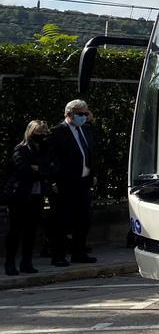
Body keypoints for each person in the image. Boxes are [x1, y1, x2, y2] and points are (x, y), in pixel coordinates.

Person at [48, 99, 97, 266]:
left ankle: (79, 252)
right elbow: (52, 159)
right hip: (66, 183)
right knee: (62, 221)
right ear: (69, 114)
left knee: (83, 220)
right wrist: (55, 180)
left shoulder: (87, 130)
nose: (84, 117)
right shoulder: (56, 132)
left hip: (84, 182)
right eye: (81, 114)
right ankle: (58, 255)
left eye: (85, 114)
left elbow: (90, 153)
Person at [5, 121, 52, 275]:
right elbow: (22, 170)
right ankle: (10, 263)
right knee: (15, 231)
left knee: (31, 231)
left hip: (37, 195)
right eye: (39, 132)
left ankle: (27, 262)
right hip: (20, 196)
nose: (42, 136)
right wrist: (39, 170)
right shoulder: (21, 149)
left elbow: (51, 168)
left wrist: (38, 168)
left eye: (45, 133)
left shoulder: (43, 150)